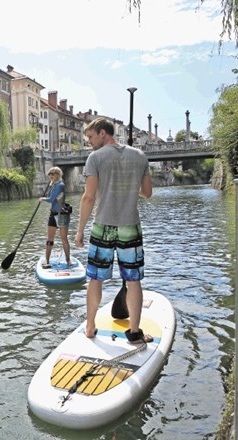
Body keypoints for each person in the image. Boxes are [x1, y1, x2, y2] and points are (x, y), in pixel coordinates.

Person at [74, 118, 153, 343]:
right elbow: (147, 193)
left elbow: (89, 197)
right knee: (133, 280)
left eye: (90, 137)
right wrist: (128, 188)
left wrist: (80, 230)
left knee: (96, 280)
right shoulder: (139, 156)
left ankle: (90, 327)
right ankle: (135, 332)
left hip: (102, 227)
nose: (89, 142)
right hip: (130, 227)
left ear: (102, 133)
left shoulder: (95, 158)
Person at [39, 166, 71, 268]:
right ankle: (47, 261)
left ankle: (68, 260)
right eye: (50, 174)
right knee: (50, 239)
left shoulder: (60, 185)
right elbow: (51, 195)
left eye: (52, 174)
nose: (51, 176)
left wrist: (43, 199)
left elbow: (51, 199)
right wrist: (50, 185)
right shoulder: (53, 185)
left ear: (58, 175)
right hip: (53, 214)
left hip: (62, 215)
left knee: (64, 239)